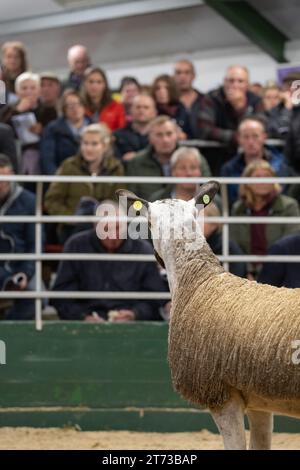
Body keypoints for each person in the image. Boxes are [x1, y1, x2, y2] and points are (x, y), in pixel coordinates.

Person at [52, 200, 167, 321]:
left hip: (132, 323)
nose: (112, 235)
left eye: (117, 228)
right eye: (106, 229)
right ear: (95, 226)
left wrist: (135, 314)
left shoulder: (142, 249)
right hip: (85, 319)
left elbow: (155, 297)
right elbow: (61, 295)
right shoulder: (76, 246)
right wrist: (83, 317)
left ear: (126, 224)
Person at [44, 123, 124, 241]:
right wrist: (71, 218)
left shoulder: (116, 167)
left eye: (94, 144)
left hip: (106, 226)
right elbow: (52, 201)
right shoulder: (69, 166)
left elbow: (119, 202)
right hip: (73, 226)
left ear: (105, 146)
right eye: (85, 143)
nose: (88, 148)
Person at [230, 160, 300, 277]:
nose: (263, 180)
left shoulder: (289, 206)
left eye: (267, 176)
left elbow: (289, 244)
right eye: (257, 176)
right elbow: (235, 245)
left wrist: (266, 270)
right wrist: (247, 271)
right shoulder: (238, 208)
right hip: (245, 273)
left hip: (280, 269)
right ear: (247, 182)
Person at [126, 116, 211, 200]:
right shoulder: (136, 162)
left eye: (169, 134)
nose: (165, 140)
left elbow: (207, 188)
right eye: (159, 135)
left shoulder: (194, 157)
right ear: (150, 138)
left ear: (177, 135)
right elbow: (131, 197)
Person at [220, 116, 293, 206]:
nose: (250, 142)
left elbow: (282, 195)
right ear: (239, 139)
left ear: (264, 137)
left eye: (255, 136)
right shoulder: (228, 169)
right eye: (246, 137)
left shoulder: (280, 166)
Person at [0, 154, 36, 319]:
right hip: (4, 272)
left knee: (36, 299)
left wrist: (25, 273)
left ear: (13, 175)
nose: (1, 184)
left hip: (19, 267)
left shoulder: (28, 200)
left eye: (4, 178)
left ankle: (8, 334)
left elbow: (35, 244)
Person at [198, 65, 263, 148]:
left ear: (247, 84)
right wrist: (236, 137)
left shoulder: (255, 100)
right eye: (231, 81)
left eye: (240, 81)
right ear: (224, 82)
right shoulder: (211, 98)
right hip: (217, 153)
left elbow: (261, 126)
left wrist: (240, 109)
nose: (235, 85)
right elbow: (205, 130)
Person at [40, 90, 91, 175]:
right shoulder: (53, 129)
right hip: (62, 176)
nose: (75, 109)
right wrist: (57, 179)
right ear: (64, 109)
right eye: (70, 106)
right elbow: (47, 159)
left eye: (78, 104)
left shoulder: (95, 127)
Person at [204, 202, 247, 278]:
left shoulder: (227, 247)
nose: (194, 223)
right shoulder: (194, 247)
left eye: (199, 219)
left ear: (214, 223)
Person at [113, 94, 157, 161]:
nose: (141, 110)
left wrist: (136, 156)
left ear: (154, 112)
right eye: (138, 107)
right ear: (130, 111)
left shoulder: (160, 136)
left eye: (146, 107)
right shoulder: (118, 136)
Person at [82, 66, 125, 131]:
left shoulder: (117, 107)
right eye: (91, 82)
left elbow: (122, 131)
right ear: (85, 84)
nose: (94, 86)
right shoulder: (79, 106)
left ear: (105, 85)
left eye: (99, 82)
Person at [173, 59, 205, 138]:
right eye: (178, 73)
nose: (182, 77)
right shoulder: (169, 102)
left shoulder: (205, 100)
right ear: (174, 76)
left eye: (187, 72)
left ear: (193, 76)